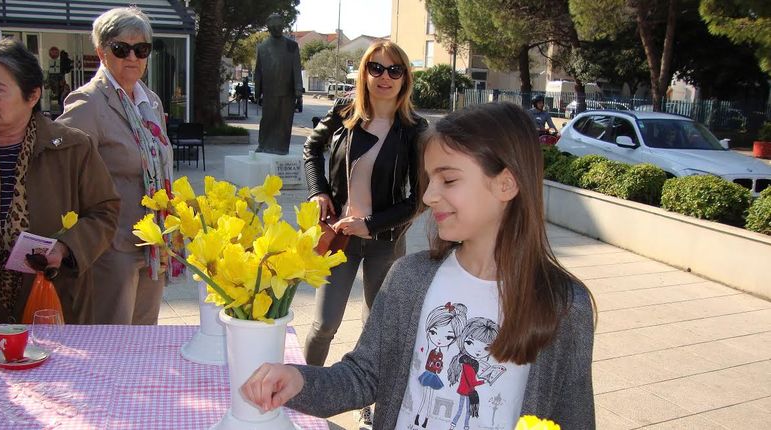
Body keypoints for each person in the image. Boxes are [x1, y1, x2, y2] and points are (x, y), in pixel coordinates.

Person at [242, 102, 596, 429]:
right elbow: (363, 375)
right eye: (429, 180)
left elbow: (575, 418)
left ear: (506, 184)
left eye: (449, 179)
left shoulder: (564, 305)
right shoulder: (409, 278)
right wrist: (299, 381)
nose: (428, 196)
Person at [0, 38, 120, 324]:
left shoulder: (73, 148)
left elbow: (105, 211)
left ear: (32, 95)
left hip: (54, 310)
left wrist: (66, 247)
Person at [301, 40, 428, 427]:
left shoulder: (414, 130)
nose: (384, 77)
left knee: (378, 330)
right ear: (364, 72)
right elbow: (311, 148)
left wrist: (370, 225)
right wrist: (319, 191)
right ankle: (303, 394)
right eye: (376, 68)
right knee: (324, 323)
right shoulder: (345, 111)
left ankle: (368, 404)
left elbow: (419, 199)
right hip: (340, 238)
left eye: (394, 70)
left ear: (404, 77)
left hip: (385, 242)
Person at [58, 6, 174, 325]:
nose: (132, 57)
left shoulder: (150, 101)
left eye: (142, 49)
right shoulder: (87, 102)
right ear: (102, 52)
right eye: (121, 49)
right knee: (112, 338)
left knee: (145, 335)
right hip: (113, 246)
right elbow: (62, 171)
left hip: (153, 240)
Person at [254, 13, 303, 155]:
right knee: (267, 120)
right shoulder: (262, 47)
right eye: (274, 27)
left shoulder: (292, 45)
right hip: (269, 90)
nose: (278, 29)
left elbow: (296, 68)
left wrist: (298, 90)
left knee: (284, 122)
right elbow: (258, 71)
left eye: (280, 27)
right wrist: (257, 91)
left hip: (288, 91)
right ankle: (263, 144)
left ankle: (281, 147)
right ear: (269, 28)